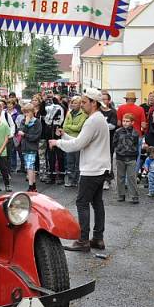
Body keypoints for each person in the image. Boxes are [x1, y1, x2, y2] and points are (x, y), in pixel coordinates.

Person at [49, 88, 111, 252]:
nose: (82, 105)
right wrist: (64, 137)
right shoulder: (98, 119)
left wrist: (58, 143)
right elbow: (82, 141)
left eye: (84, 102)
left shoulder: (92, 120)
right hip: (100, 167)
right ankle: (98, 238)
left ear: (94, 103)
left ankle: (83, 240)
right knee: (97, 203)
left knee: (82, 202)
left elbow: (78, 145)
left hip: (92, 168)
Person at [113, 113, 140, 203]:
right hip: (120, 157)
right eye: (124, 121)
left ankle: (134, 196)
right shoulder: (118, 131)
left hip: (131, 157)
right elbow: (114, 142)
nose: (125, 123)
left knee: (131, 177)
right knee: (120, 177)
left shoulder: (135, 133)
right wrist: (117, 150)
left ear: (132, 122)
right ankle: (121, 195)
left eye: (127, 121)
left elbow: (135, 145)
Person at [17, 103, 42, 192]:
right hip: (24, 146)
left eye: (28, 112)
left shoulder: (37, 122)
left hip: (32, 147)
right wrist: (26, 124)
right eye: (25, 112)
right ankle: (33, 186)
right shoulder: (24, 121)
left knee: (30, 166)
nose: (26, 114)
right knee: (29, 167)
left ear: (32, 112)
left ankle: (31, 186)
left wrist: (25, 135)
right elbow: (20, 132)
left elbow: (36, 136)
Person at [62, 96, 87, 187]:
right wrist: (72, 127)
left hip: (77, 140)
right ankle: (70, 179)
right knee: (69, 161)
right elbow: (64, 127)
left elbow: (79, 128)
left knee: (78, 161)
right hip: (68, 140)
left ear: (80, 104)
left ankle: (76, 180)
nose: (73, 104)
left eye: (75, 103)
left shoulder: (83, 114)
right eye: (72, 102)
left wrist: (70, 127)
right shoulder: (68, 113)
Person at [42, 95, 65, 184]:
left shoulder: (60, 107)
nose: (49, 101)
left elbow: (62, 116)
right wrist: (43, 101)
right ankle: (52, 176)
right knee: (50, 156)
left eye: (51, 100)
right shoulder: (47, 108)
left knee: (60, 156)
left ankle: (61, 176)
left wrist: (55, 99)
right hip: (49, 133)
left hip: (57, 133)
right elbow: (42, 112)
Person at [99, 91, 118, 190]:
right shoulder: (97, 111)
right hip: (98, 140)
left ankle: (107, 179)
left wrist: (100, 126)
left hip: (109, 140)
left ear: (109, 100)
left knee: (108, 160)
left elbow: (113, 126)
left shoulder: (112, 112)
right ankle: (99, 179)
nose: (103, 101)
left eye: (105, 99)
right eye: (101, 99)